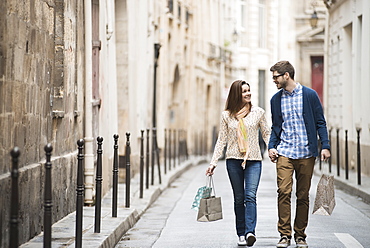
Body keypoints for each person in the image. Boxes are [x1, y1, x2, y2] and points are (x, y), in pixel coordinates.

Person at [268, 61, 331, 248]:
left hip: (306, 153)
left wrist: (325, 146)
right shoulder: (275, 99)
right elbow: (276, 127)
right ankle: (284, 234)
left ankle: (300, 235)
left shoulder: (310, 95)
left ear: (286, 75)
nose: (274, 81)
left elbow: (320, 122)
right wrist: (272, 146)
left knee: (302, 195)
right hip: (285, 152)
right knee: (283, 192)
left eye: (276, 77)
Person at [206, 80, 270, 247]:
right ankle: (240, 233)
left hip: (254, 160)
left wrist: (272, 150)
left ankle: (250, 232)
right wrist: (213, 162)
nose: (248, 93)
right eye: (244, 91)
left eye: (249, 90)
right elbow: (222, 140)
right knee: (239, 198)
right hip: (233, 161)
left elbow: (266, 134)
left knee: (250, 196)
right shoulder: (226, 115)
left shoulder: (258, 112)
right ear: (236, 94)